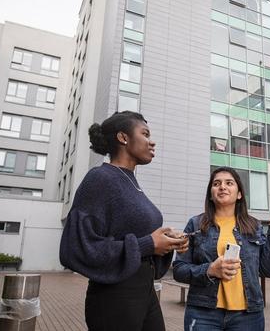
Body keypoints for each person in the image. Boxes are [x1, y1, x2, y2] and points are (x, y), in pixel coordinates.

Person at [59, 111, 188, 331]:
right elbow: (76, 247)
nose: (152, 141)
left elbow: (140, 240)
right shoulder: (100, 179)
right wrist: (149, 243)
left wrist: (167, 243)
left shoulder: (131, 183)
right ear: (123, 138)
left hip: (145, 291)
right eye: (145, 134)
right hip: (114, 297)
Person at [173, 166, 270, 331]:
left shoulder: (254, 226)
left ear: (239, 194)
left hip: (248, 315)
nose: (222, 186)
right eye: (216, 184)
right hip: (203, 313)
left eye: (229, 183)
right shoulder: (195, 224)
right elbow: (179, 270)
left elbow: (269, 270)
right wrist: (209, 270)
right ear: (210, 194)